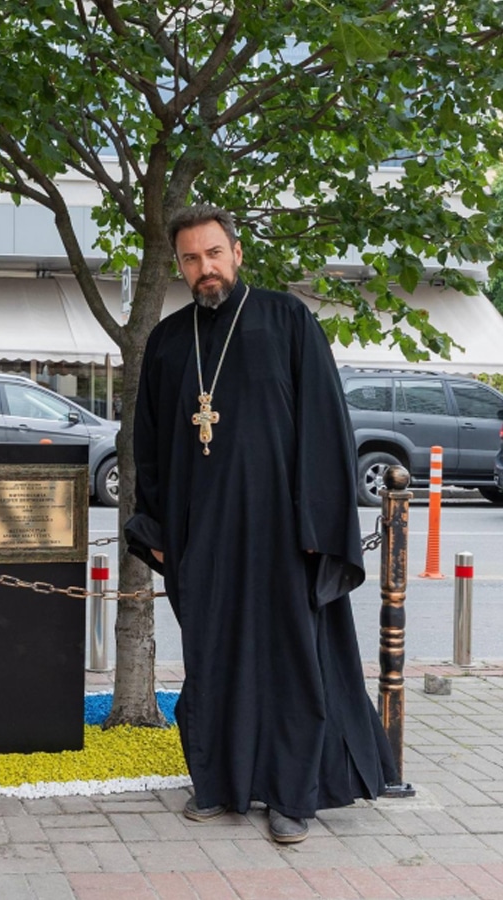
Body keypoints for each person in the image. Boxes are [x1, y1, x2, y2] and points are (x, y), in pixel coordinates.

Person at [124, 204, 397, 844]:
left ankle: (291, 797)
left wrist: (319, 527)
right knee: (212, 659)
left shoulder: (287, 320)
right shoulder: (167, 341)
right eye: (191, 259)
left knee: (290, 664)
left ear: (237, 253)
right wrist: (157, 531)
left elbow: (327, 429)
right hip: (202, 538)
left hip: (283, 535)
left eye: (213, 253)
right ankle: (219, 784)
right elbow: (150, 445)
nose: (204, 268)